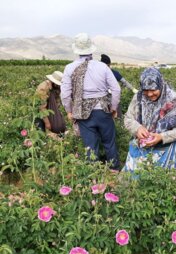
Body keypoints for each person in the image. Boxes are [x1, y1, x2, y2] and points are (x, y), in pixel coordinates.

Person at [61, 33, 121, 171]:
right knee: (109, 143)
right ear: (91, 49)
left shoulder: (70, 68)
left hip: (83, 113)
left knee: (90, 146)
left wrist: (69, 111)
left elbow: (65, 94)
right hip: (104, 110)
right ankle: (114, 171)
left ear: (76, 50)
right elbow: (116, 89)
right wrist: (113, 108)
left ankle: (94, 177)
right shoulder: (103, 67)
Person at [122, 67, 176, 172]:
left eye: (153, 90)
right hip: (142, 144)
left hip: (166, 147)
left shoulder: (172, 99)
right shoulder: (138, 97)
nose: (149, 94)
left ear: (160, 85)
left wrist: (161, 137)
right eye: (146, 90)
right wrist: (137, 128)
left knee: (163, 179)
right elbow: (128, 118)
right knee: (136, 178)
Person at [100, 54, 138, 118]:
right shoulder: (113, 72)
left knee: (111, 117)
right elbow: (125, 82)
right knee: (116, 116)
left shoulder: (99, 73)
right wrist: (133, 89)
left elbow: (124, 82)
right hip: (112, 98)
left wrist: (133, 89)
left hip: (103, 100)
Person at [35, 70, 66, 139]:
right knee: (41, 131)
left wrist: (57, 117)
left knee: (59, 126)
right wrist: (47, 123)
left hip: (49, 111)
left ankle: (57, 138)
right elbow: (41, 107)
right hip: (40, 113)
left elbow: (56, 103)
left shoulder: (55, 87)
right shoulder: (43, 88)